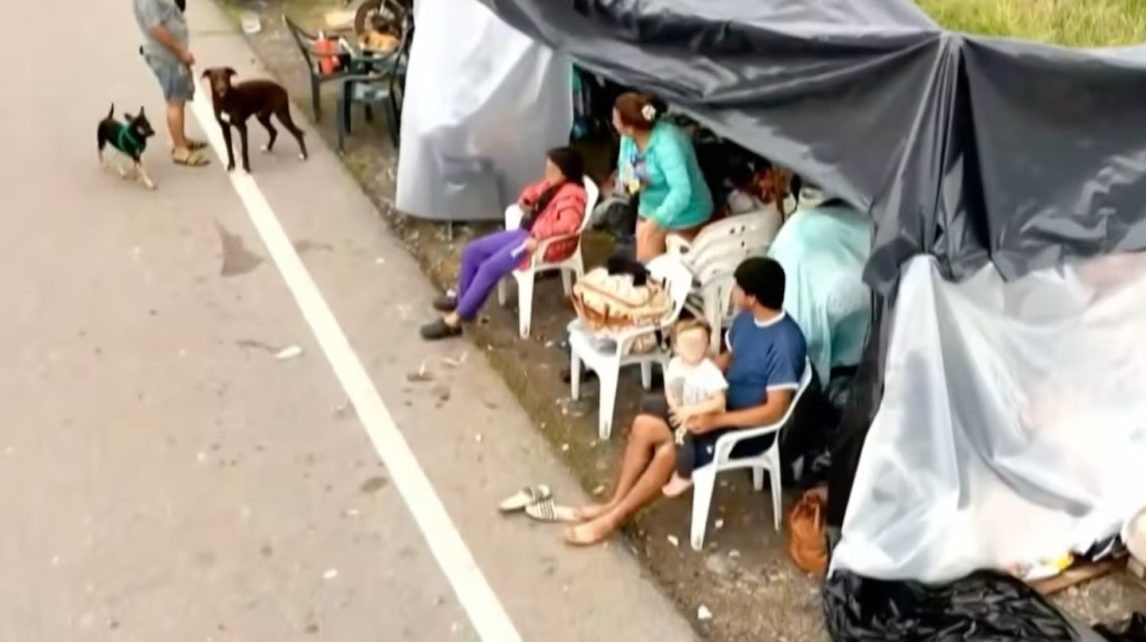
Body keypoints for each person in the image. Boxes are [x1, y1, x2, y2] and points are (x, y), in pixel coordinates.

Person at [565, 257, 807, 546]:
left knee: (669, 452)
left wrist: (717, 419)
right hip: (713, 405)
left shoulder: (786, 342)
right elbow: (728, 359)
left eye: (738, 288)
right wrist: (694, 375)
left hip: (743, 429)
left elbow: (774, 411)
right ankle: (613, 503)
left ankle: (613, 519)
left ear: (752, 297)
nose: (733, 292)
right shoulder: (747, 320)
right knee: (644, 424)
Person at [420, 147, 587, 340]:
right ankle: (465, 301)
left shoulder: (573, 196)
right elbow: (534, 190)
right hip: (525, 233)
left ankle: (455, 320)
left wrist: (539, 235)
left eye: (551, 169)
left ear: (565, 173)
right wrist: (527, 199)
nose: (547, 173)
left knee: (489, 268)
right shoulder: (553, 183)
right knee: (473, 252)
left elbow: (569, 224)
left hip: (540, 244)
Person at [612, 92, 713, 262]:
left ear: (630, 127)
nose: (613, 123)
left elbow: (681, 192)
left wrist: (656, 220)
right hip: (649, 208)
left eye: (615, 119)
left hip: (686, 214)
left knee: (679, 272)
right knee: (646, 268)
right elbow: (625, 169)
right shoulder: (627, 139)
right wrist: (634, 185)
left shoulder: (667, 144)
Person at [133, 0, 210, 167]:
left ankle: (180, 139)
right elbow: (156, 29)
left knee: (178, 99)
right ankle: (180, 149)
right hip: (166, 56)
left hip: (169, 54)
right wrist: (181, 52)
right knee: (175, 101)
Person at [660, 320, 727, 498]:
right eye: (687, 345)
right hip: (681, 408)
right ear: (676, 347)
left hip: (703, 417)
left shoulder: (709, 371)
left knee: (686, 435)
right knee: (650, 404)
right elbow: (668, 387)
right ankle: (663, 443)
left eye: (698, 344)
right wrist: (675, 406)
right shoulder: (674, 364)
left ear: (706, 346)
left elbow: (719, 402)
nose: (693, 349)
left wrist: (690, 411)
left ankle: (684, 475)